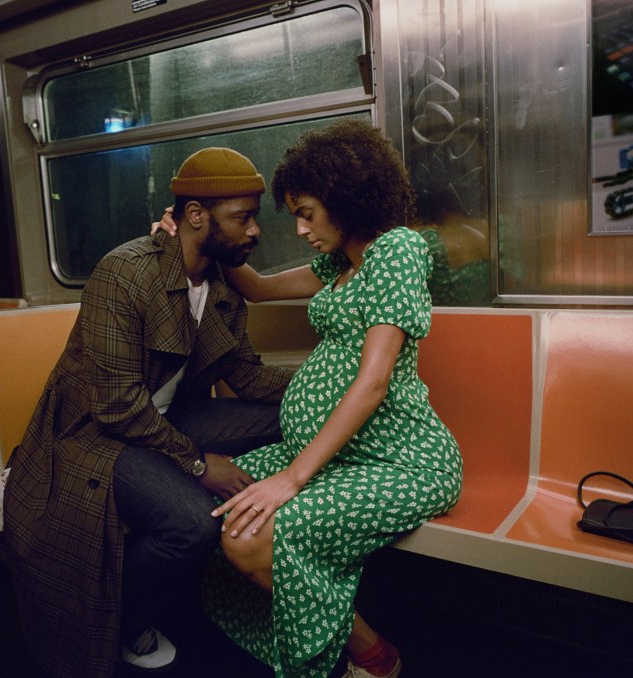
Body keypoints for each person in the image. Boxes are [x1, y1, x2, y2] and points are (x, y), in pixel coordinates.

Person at [154, 119, 462, 678]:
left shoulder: (397, 250)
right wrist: (190, 235)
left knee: (251, 540)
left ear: (347, 200)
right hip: (338, 454)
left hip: (398, 458)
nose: (299, 229)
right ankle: (354, 647)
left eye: (307, 213)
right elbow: (258, 288)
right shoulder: (342, 263)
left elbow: (373, 382)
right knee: (217, 508)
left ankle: (372, 655)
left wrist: (292, 478)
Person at [0, 148, 294, 678]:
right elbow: (117, 405)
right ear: (196, 216)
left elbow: (247, 376)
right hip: (97, 433)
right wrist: (199, 465)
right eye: (243, 216)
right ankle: (117, 615)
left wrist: (333, 386)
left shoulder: (219, 284)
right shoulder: (125, 273)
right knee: (192, 526)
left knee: (289, 416)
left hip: (170, 418)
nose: (255, 231)